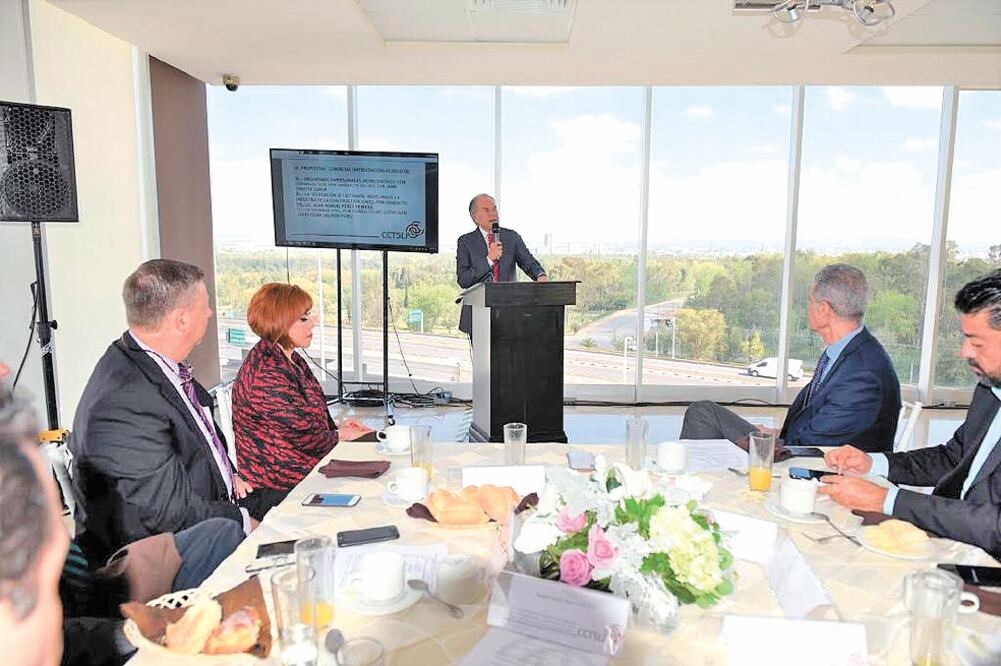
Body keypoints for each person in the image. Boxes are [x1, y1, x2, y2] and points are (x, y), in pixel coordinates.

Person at [69, 259, 254, 566]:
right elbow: (170, 515)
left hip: (210, 509)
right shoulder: (124, 401)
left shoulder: (150, 363)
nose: (210, 313)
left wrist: (228, 475)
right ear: (181, 320)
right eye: (205, 305)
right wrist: (246, 522)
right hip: (157, 564)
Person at [820, 270, 1001, 558]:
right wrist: (873, 463)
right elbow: (952, 458)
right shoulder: (989, 392)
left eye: (977, 342)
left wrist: (888, 500)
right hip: (947, 541)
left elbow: (995, 526)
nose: (964, 351)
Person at [681, 264, 900, 452]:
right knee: (703, 413)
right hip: (799, 444)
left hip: (811, 469)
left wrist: (766, 444)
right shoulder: (846, 351)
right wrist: (775, 433)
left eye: (810, 301)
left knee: (702, 420)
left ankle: (695, 487)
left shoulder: (862, 374)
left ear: (824, 309)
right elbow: (823, 426)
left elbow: (810, 448)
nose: (807, 308)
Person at [232, 283, 339, 520]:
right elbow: (305, 438)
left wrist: (340, 430)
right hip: (277, 490)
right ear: (280, 324)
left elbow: (317, 417)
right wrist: (342, 436)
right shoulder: (266, 372)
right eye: (303, 318)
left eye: (310, 315)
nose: (312, 323)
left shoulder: (291, 359)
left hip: (301, 476)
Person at [456, 193, 548, 337]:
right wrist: (489, 260)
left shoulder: (512, 237)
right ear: (475, 217)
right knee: (484, 359)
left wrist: (540, 275)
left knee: (509, 358)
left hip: (509, 312)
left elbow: (528, 262)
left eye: (494, 209)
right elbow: (464, 279)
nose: (493, 214)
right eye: (486, 210)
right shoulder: (465, 242)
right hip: (478, 314)